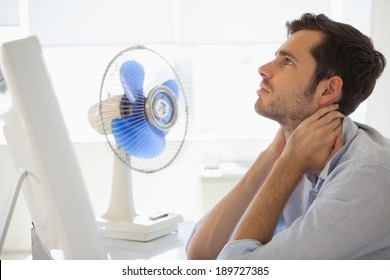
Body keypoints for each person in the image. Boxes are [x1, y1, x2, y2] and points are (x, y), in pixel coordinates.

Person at [186, 13, 390, 260]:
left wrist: (287, 165)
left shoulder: (369, 174)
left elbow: (236, 269)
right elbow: (200, 254)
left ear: (328, 90)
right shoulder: (299, 148)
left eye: (287, 62)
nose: (263, 70)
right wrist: (274, 154)